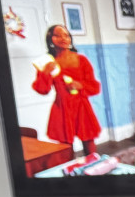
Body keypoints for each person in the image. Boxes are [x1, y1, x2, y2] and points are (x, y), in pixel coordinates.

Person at [31, 24, 102, 153]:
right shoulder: (48, 62)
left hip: (82, 106)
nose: (63, 38)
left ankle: (94, 165)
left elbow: (94, 86)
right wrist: (45, 72)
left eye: (66, 35)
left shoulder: (81, 60)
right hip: (62, 108)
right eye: (57, 35)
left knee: (89, 143)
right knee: (65, 147)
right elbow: (43, 90)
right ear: (50, 39)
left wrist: (80, 85)